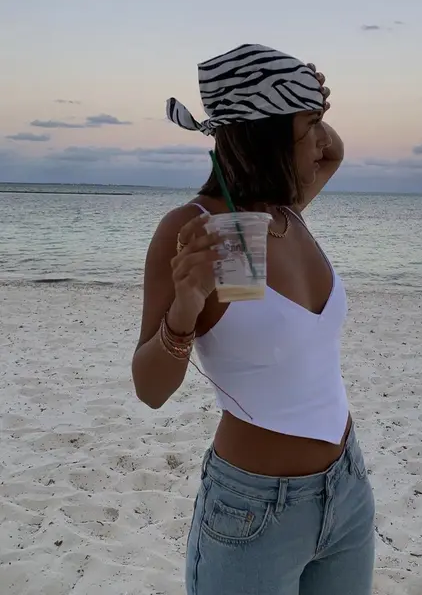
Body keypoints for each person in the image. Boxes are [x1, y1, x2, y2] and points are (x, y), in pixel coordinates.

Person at [131, 43, 375, 595]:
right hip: (255, 510)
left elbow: (334, 153)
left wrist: (311, 105)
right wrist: (185, 308)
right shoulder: (195, 230)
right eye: (309, 128)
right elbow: (149, 389)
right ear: (266, 138)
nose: (321, 141)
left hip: (347, 489)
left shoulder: (283, 213)